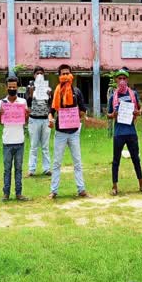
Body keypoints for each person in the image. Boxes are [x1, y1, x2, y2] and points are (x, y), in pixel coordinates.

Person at [48, 64, 90, 199]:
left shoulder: (77, 92)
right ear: (59, 76)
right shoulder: (56, 93)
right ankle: (53, 191)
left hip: (74, 132)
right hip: (60, 132)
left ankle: (81, 189)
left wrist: (81, 115)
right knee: (56, 163)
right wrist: (50, 120)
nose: (65, 76)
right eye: (63, 74)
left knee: (77, 161)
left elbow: (83, 109)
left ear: (71, 75)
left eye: (68, 73)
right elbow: (51, 111)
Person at [107, 68, 142, 195]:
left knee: (136, 159)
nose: (122, 81)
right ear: (116, 80)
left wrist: (137, 112)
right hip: (119, 133)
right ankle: (114, 187)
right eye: (120, 78)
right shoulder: (113, 96)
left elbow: (140, 110)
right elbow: (108, 114)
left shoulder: (133, 94)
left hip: (131, 132)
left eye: (124, 78)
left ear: (127, 80)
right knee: (116, 160)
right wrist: (113, 114)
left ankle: (141, 185)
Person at [0, 76, 30, 202]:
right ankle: (6, 194)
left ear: (17, 88)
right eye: (10, 87)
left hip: (19, 141)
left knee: (19, 169)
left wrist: (27, 115)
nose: (12, 89)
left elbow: (25, 121)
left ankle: (19, 193)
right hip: (7, 141)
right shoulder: (2, 103)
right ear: (6, 87)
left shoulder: (22, 102)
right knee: (7, 169)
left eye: (14, 87)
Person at [26, 66, 52, 177]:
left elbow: (51, 104)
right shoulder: (30, 87)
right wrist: (31, 93)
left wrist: (49, 95)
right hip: (34, 119)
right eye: (37, 73)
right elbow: (28, 102)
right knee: (34, 145)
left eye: (41, 73)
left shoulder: (48, 88)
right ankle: (31, 169)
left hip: (45, 119)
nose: (39, 75)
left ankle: (47, 169)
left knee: (45, 146)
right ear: (34, 75)